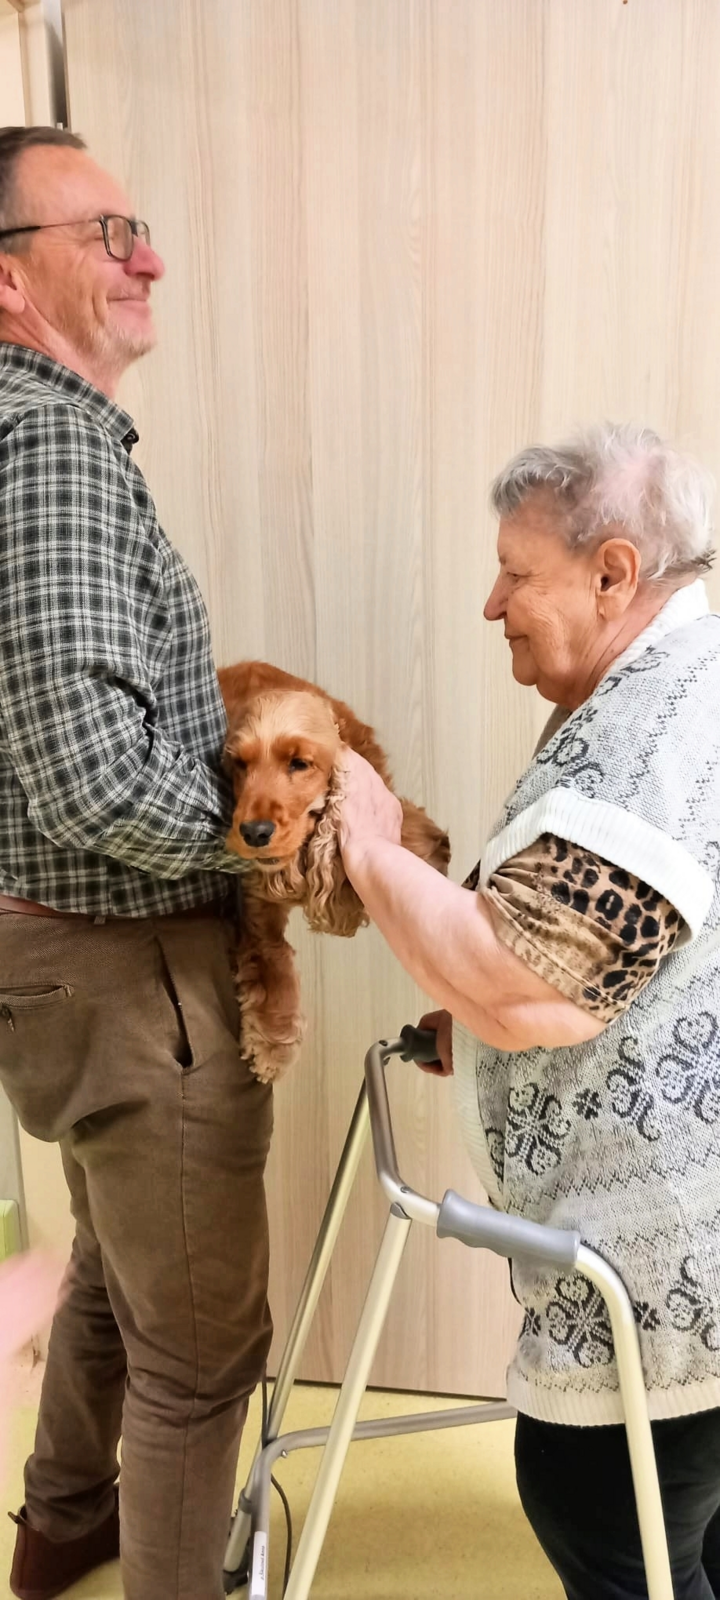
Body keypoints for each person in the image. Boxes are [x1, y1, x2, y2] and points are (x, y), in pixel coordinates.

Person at [337, 423, 720, 1600]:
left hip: (667, 1277)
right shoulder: (665, 683)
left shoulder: (655, 737)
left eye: (517, 572)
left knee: (608, 1525)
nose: (490, 603)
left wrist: (370, 845)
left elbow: (532, 987)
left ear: (614, 573)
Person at [0, 125, 272, 1600]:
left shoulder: (41, 442)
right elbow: (94, 777)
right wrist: (276, 846)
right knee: (202, 1352)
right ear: (8, 279)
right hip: (126, 970)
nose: (148, 257)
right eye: (107, 234)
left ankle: (61, 1525)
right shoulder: (50, 452)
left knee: (116, 1261)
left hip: (64, 961)